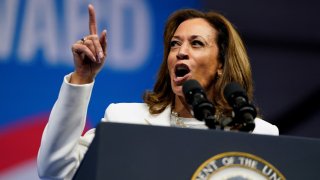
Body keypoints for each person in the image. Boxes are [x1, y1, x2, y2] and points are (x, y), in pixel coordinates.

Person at [37, 4, 279, 180]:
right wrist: (83, 77)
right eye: (175, 43)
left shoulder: (258, 134)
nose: (180, 52)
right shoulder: (125, 120)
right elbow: (56, 171)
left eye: (196, 43)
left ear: (221, 65)